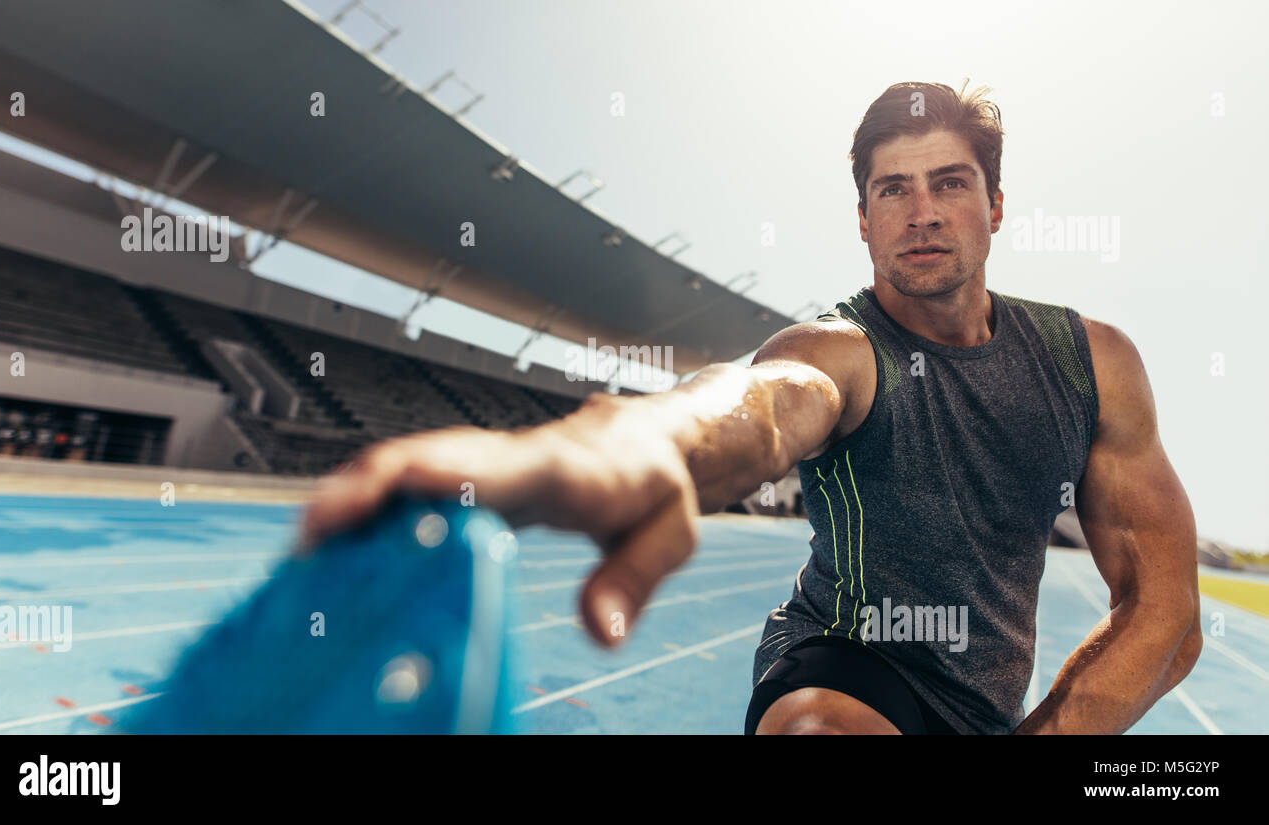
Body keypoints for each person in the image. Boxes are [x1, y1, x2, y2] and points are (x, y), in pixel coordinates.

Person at [300, 81, 1202, 735]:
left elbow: (1170, 614)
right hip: (850, 667)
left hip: (990, 708)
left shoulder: (1091, 364)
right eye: (893, 189)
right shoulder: (838, 350)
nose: (921, 212)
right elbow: (764, 405)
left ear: (996, 206)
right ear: (863, 220)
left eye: (949, 183)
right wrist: (640, 443)